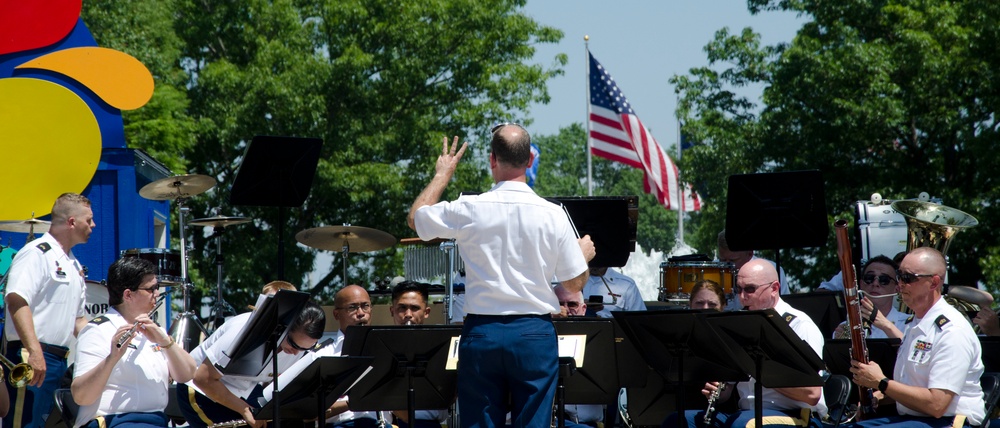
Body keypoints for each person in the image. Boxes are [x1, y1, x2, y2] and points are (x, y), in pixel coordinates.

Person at [407, 125, 595, 428]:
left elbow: (416, 218)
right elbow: (574, 285)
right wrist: (582, 257)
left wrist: (443, 174)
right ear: (530, 160)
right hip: (534, 333)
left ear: (492, 159)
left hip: (482, 332)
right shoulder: (553, 214)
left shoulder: (469, 208)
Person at [664, 259, 827, 427]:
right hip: (746, 414)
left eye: (750, 289)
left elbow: (812, 393)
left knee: (741, 424)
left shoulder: (798, 325)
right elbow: (729, 390)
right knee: (678, 421)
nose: (742, 298)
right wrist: (720, 390)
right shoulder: (741, 324)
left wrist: (761, 371)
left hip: (794, 415)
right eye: (739, 290)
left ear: (774, 288)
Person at [845, 247, 985, 427]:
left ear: (934, 283)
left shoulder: (951, 330)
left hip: (948, 421)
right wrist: (880, 396)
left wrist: (881, 382)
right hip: (917, 418)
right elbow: (915, 387)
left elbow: (937, 404)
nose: (900, 284)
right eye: (899, 275)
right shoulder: (916, 324)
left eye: (908, 278)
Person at [4, 193, 95, 428]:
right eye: (89, 220)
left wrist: (104, 347)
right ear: (72, 222)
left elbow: (79, 320)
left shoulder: (73, 265)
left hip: (58, 361)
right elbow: (16, 300)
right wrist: (34, 352)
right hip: (32, 357)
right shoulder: (36, 253)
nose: (93, 225)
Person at [71, 257, 197, 427]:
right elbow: (81, 395)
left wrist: (165, 341)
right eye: (152, 289)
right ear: (128, 295)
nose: (157, 294)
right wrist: (112, 358)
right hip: (115, 421)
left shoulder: (153, 330)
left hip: (156, 421)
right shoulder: (98, 331)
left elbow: (188, 374)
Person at [177, 291, 325, 428]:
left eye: (304, 349)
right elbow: (203, 378)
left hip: (245, 390)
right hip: (200, 389)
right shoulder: (242, 330)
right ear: (283, 327)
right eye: (293, 345)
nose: (295, 353)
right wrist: (244, 410)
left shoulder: (297, 347)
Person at [278, 284, 389, 428]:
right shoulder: (321, 355)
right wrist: (354, 402)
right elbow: (308, 414)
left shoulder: (387, 351)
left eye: (365, 306)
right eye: (352, 307)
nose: (361, 313)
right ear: (336, 314)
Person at [387, 281, 449, 428]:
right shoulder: (377, 345)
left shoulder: (442, 345)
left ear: (426, 312)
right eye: (402, 308)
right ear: (392, 310)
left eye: (414, 308)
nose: (408, 314)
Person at [832, 255, 908, 339]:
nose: (875, 283)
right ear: (861, 284)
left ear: (896, 288)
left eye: (884, 280)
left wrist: (885, 325)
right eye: (869, 278)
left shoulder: (909, 325)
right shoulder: (846, 327)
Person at [717, 230, 789, 303]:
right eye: (722, 260)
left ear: (749, 254)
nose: (726, 266)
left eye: (733, 260)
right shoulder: (709, 270)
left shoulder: (773, 270)